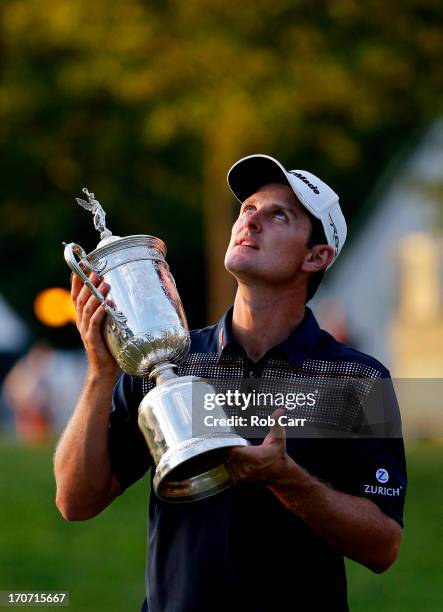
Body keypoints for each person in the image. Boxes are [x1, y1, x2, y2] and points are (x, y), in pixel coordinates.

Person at [54, 154, 407, 612]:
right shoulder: (172, 360)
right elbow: (75, 501)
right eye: (248, 208)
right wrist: (101, 374)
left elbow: (383, 546)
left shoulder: (357, 379)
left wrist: (287, 479)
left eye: (279, 214)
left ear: (317, 256)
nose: (251, 219)